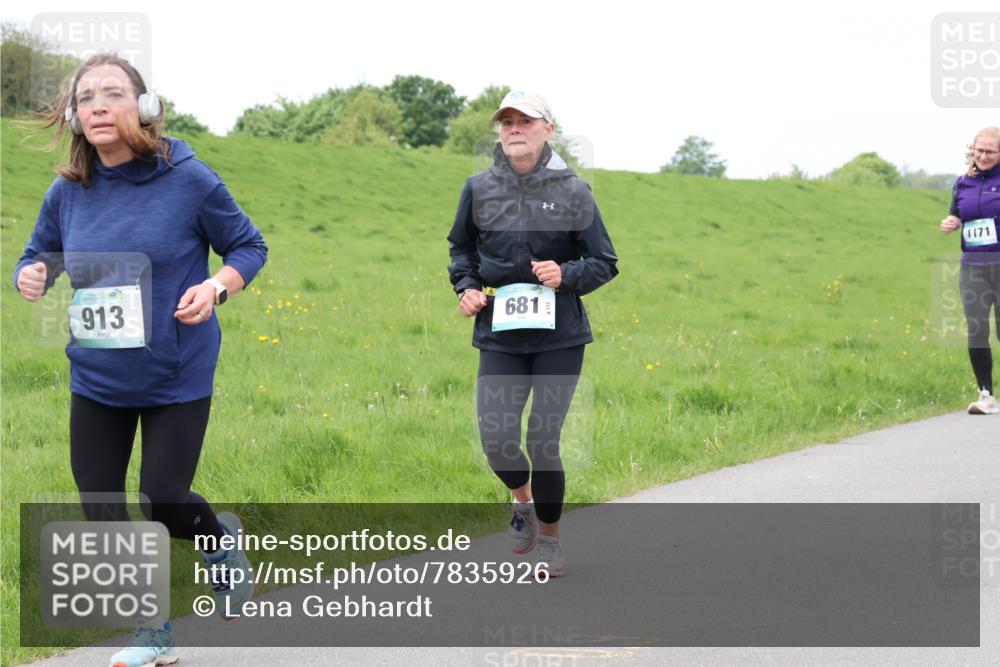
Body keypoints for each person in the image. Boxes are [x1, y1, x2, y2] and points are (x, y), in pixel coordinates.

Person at [14, 53, 267, 666]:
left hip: (175, 370)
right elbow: (39, 252)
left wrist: (215, 288)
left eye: (112, 94)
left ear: (144, 107)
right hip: (98, 372)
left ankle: (220, 538)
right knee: (100, 501)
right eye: (85, 98)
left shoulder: (189, 178)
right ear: (75, 117)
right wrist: (33, 273)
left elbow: (247, 245)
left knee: (163, 499)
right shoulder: (68, 191)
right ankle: (151, 632)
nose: (98, 105)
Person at [447, 91, 618, 577]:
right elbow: (461, 250)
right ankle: (521, 501)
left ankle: (549, 541)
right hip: (500, 332)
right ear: (498, 132)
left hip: (559, 335)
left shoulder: (573, 190)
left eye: (526, 121)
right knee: (498, 439)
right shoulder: (478, 188)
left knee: (543, 439)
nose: (514, 128)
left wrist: (567, 275)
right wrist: (467, 288)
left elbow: (604, 262)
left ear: (549, 131)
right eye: (507, 122)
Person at [940, 126, 1000, 415]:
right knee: (977, 329)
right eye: (979, 150)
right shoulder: (962, 182)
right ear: (972, 150)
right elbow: (956, 213)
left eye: (990, 151)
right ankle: (986, 394)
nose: (984, 156)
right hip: (973, 267)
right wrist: (951, 222)